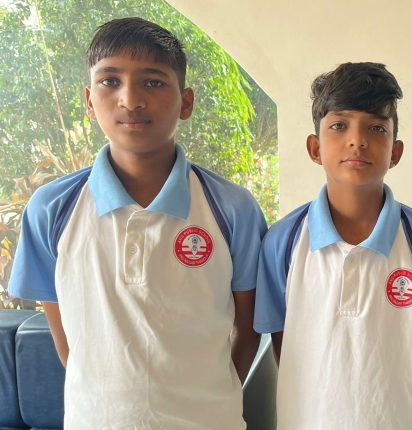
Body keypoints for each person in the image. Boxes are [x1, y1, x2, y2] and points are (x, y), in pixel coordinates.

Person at [8, 17, 266, 429]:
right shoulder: (52, 209)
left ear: (186, 102)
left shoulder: (232, 208)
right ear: (89, 101)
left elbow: (248, 329)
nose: (130, 99)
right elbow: (67, 336)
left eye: (153, 82)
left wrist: (210, 397)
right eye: (110, 81)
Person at [254, 62, 412, 429]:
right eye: (339, 125)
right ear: (315, 148)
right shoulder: (283, 243)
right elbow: (285, 346)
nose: (357, 140)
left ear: (395, 152)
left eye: (376, 128)